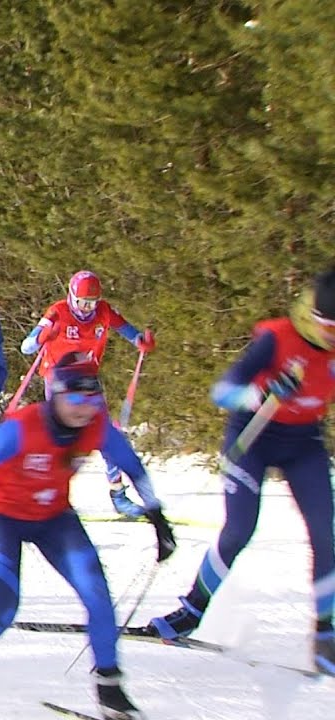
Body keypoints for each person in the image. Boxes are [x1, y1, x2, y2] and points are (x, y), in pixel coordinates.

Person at [0, 353, 176, 720]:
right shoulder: (23, 428)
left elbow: (134, 468)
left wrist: (157, 515)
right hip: (5, 518)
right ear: (55, 396)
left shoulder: (97, 427)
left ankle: (110, 691)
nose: (83, 409)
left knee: (97, 594)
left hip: (54, 518)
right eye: (75, 398)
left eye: (92, 399)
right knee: (2, 608)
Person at [148, 269, 335, 676]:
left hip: (304, 442)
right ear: (313, 317)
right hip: (253, 436)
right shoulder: (279, 337)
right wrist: (261, 393)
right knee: (239, 529)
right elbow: (223, 391)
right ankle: (192, 609)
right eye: (329, 327)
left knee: (325, 532)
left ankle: (326, 633)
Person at [20, 270, 156, 518]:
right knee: (62, 441)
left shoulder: (103, 311)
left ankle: (118, 494)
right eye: (82, 302)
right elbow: (27, 347)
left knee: (106, 435)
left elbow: (127, 330)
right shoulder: (58, 311)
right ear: (72, 297)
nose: (86, 309)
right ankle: (45, 495)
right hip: (59, 383)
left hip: (86, 381)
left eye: (91, 303)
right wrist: (43, 335)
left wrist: (141, 341)